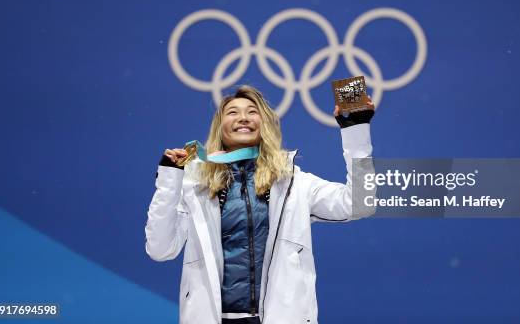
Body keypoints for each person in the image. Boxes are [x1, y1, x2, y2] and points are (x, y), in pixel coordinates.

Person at [145, 85, 375, 324]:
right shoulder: (194, 186)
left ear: (263, 124)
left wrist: (357, 134)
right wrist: (170, 180)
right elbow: (160, 249)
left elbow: (359, 203)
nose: (243, 117)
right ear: (219, 126)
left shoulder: (293, 182)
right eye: (232, 112)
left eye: (252, 111)